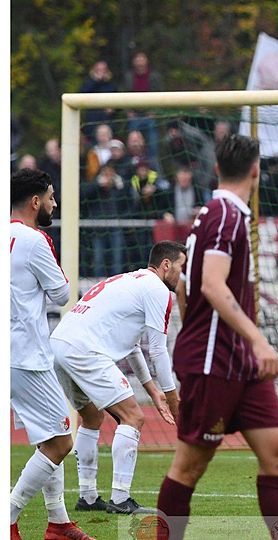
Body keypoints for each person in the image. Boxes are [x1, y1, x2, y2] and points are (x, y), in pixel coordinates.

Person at [157, 135, 278, 539]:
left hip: (239, 362)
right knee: (188, 467)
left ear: (217, 169)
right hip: (214, 362)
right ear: (256, 170)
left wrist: (199, 328)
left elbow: (185, 284)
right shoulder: (225, 215)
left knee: (277, 455)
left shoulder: (214, 213)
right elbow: (212, 285)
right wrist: (257, 339)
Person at [50, 242, 184, 514]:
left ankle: (87, 497)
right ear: (166, 265)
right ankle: (121, 499)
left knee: (92, 417)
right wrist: (173, 397)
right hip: (84, 350)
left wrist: (153, 390)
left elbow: (132, 346)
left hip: (59, 345)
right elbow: (158, 350)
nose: (184, 275)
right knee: (133, 417)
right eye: (183, 266)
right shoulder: (158, 290)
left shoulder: (128, 280)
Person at [10, 169, 94, 540]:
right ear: (35, 202)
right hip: (27, 356)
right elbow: (61, 294)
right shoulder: (35, 239)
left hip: (11, 353)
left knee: (48, 438)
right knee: (61, 441)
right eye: (51, 197)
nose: (54, 204)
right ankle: (8, 515)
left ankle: (58, 522)